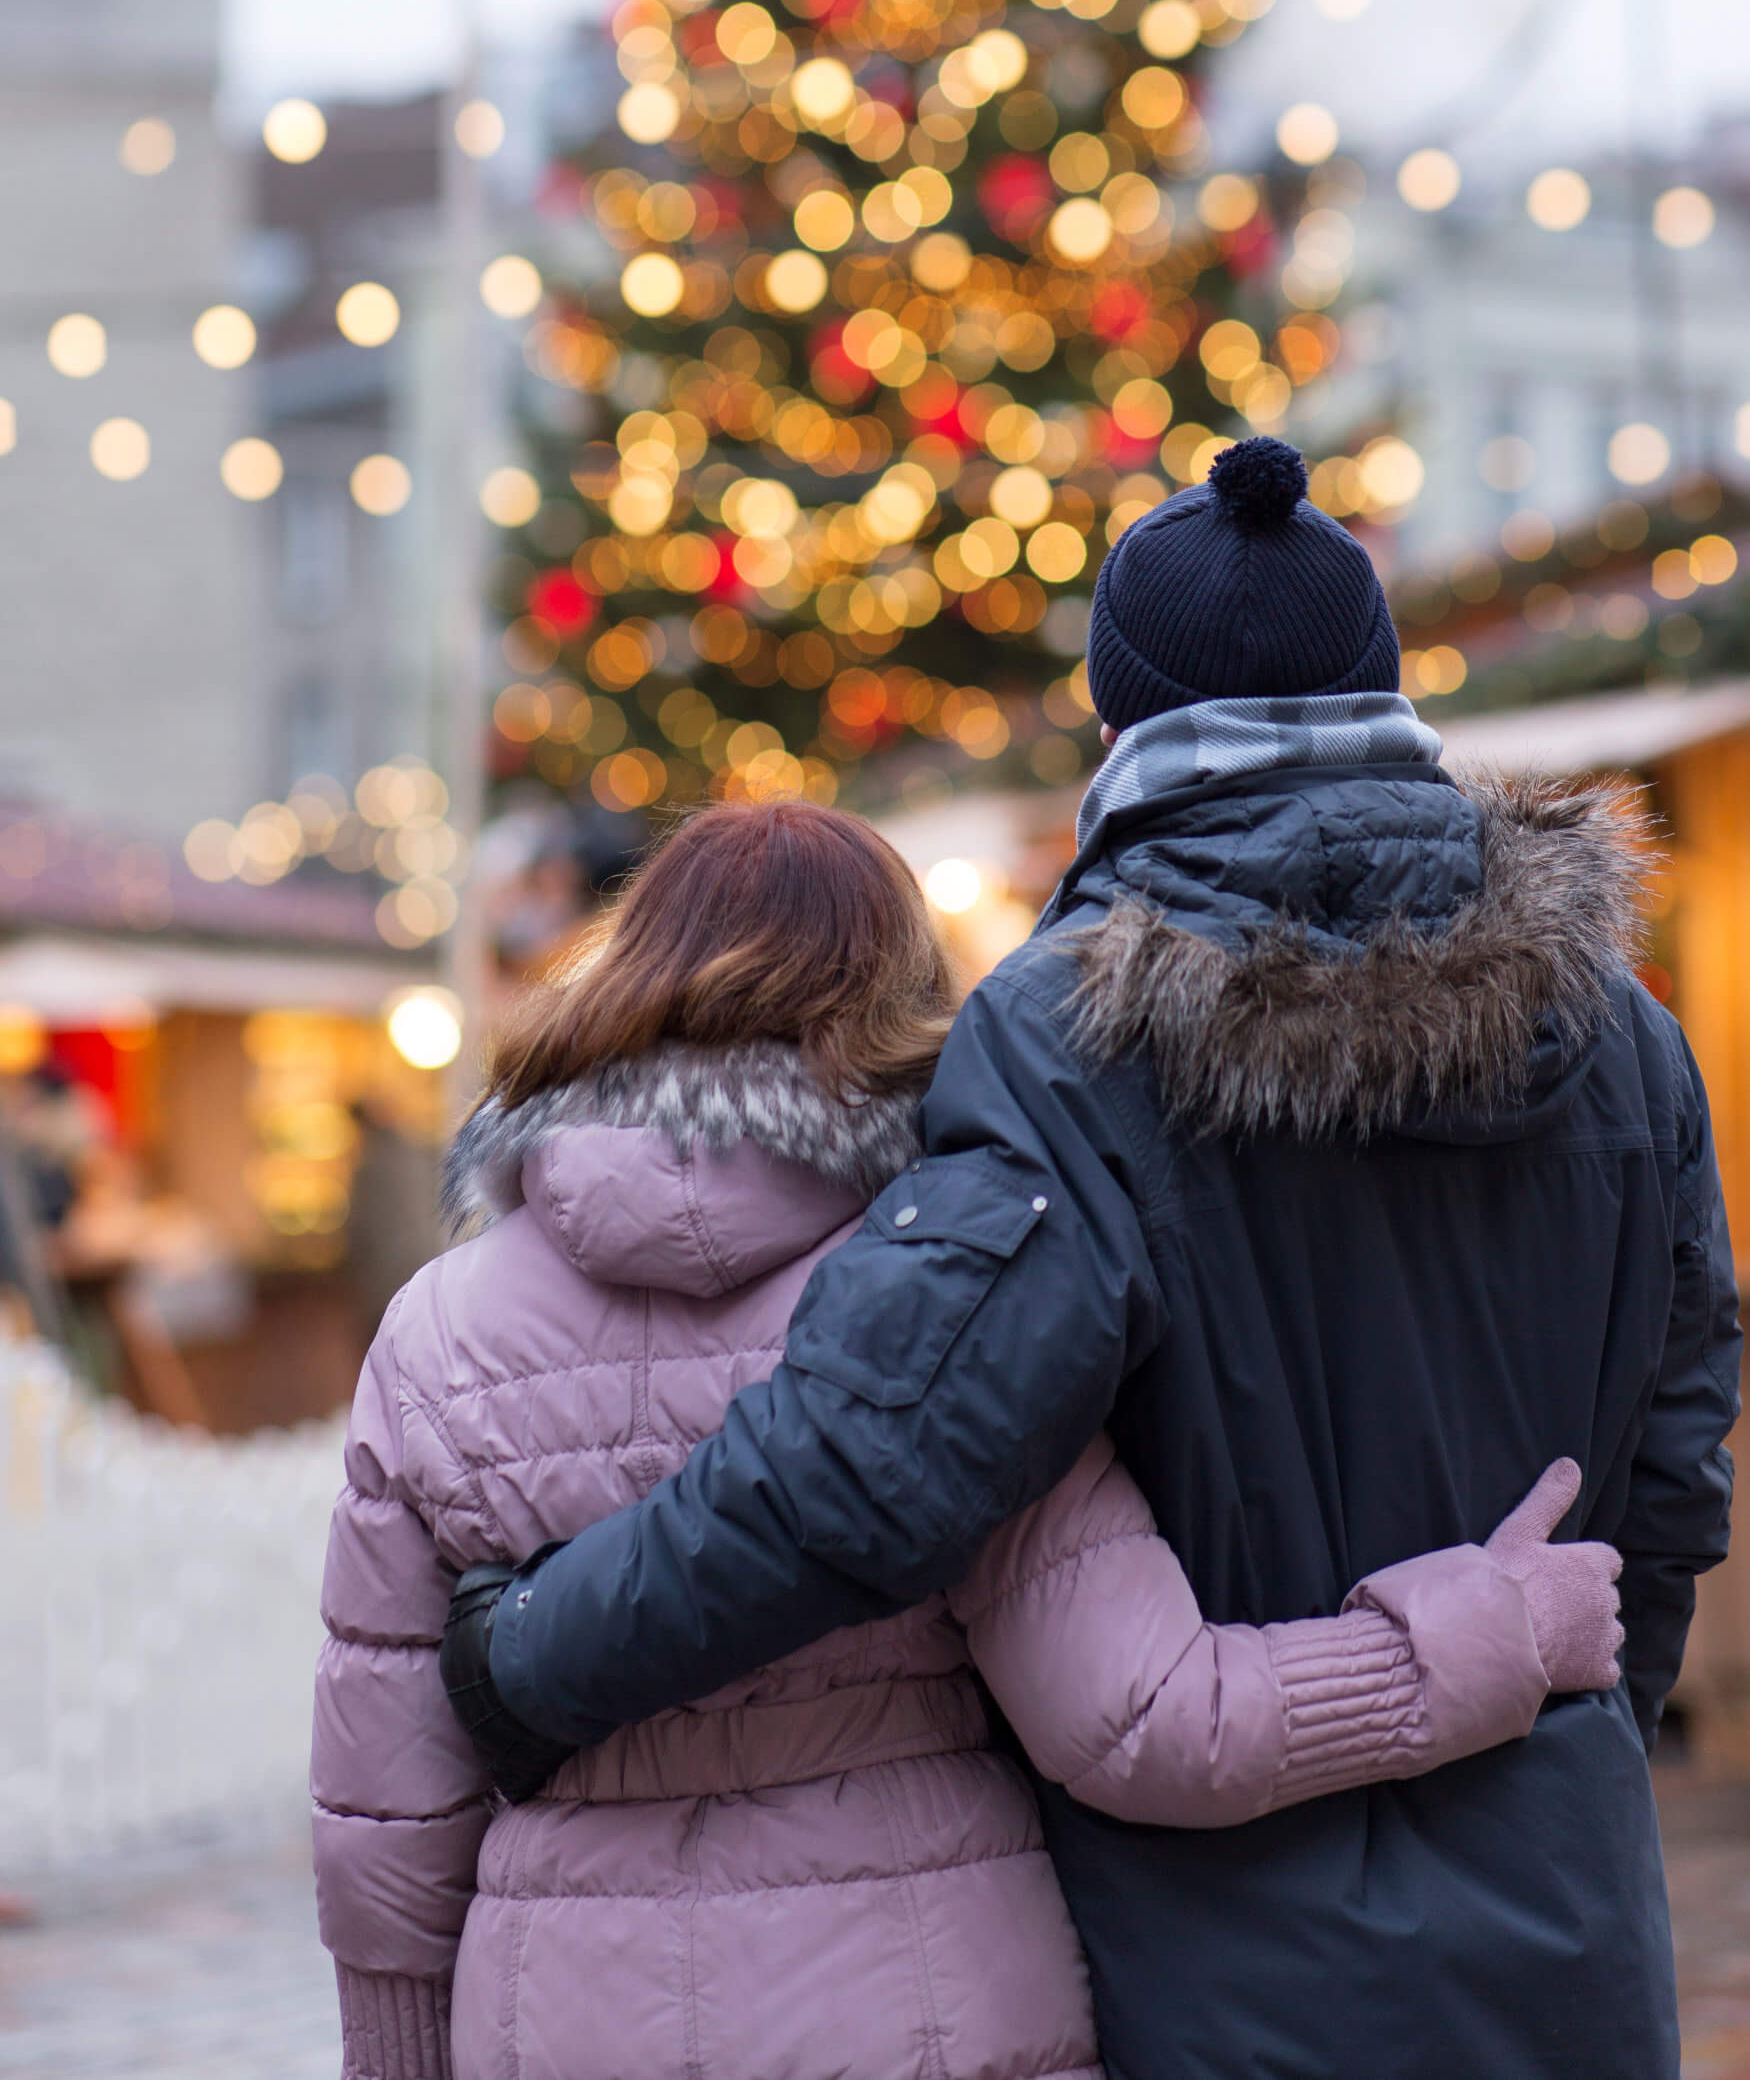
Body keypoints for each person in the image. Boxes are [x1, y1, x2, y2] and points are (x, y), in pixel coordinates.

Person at [444, 438, 1739, 2080]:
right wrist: (1568, 1728)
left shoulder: (1076, 1033)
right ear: (1382, 690)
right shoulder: (1622, 1033)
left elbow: (874, 1457)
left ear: (1122, 726)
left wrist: (533, 1659)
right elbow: (1675, 1468)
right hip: (1570, 1939)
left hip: (1224, 1972)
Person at [311, 799, 1624, 2080]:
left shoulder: (438, 1330)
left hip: (559, 2015)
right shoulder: (956, 1304)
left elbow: (382, 1815)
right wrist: (1487, 1634)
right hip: (922, 1999)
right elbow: (1153, 1718)